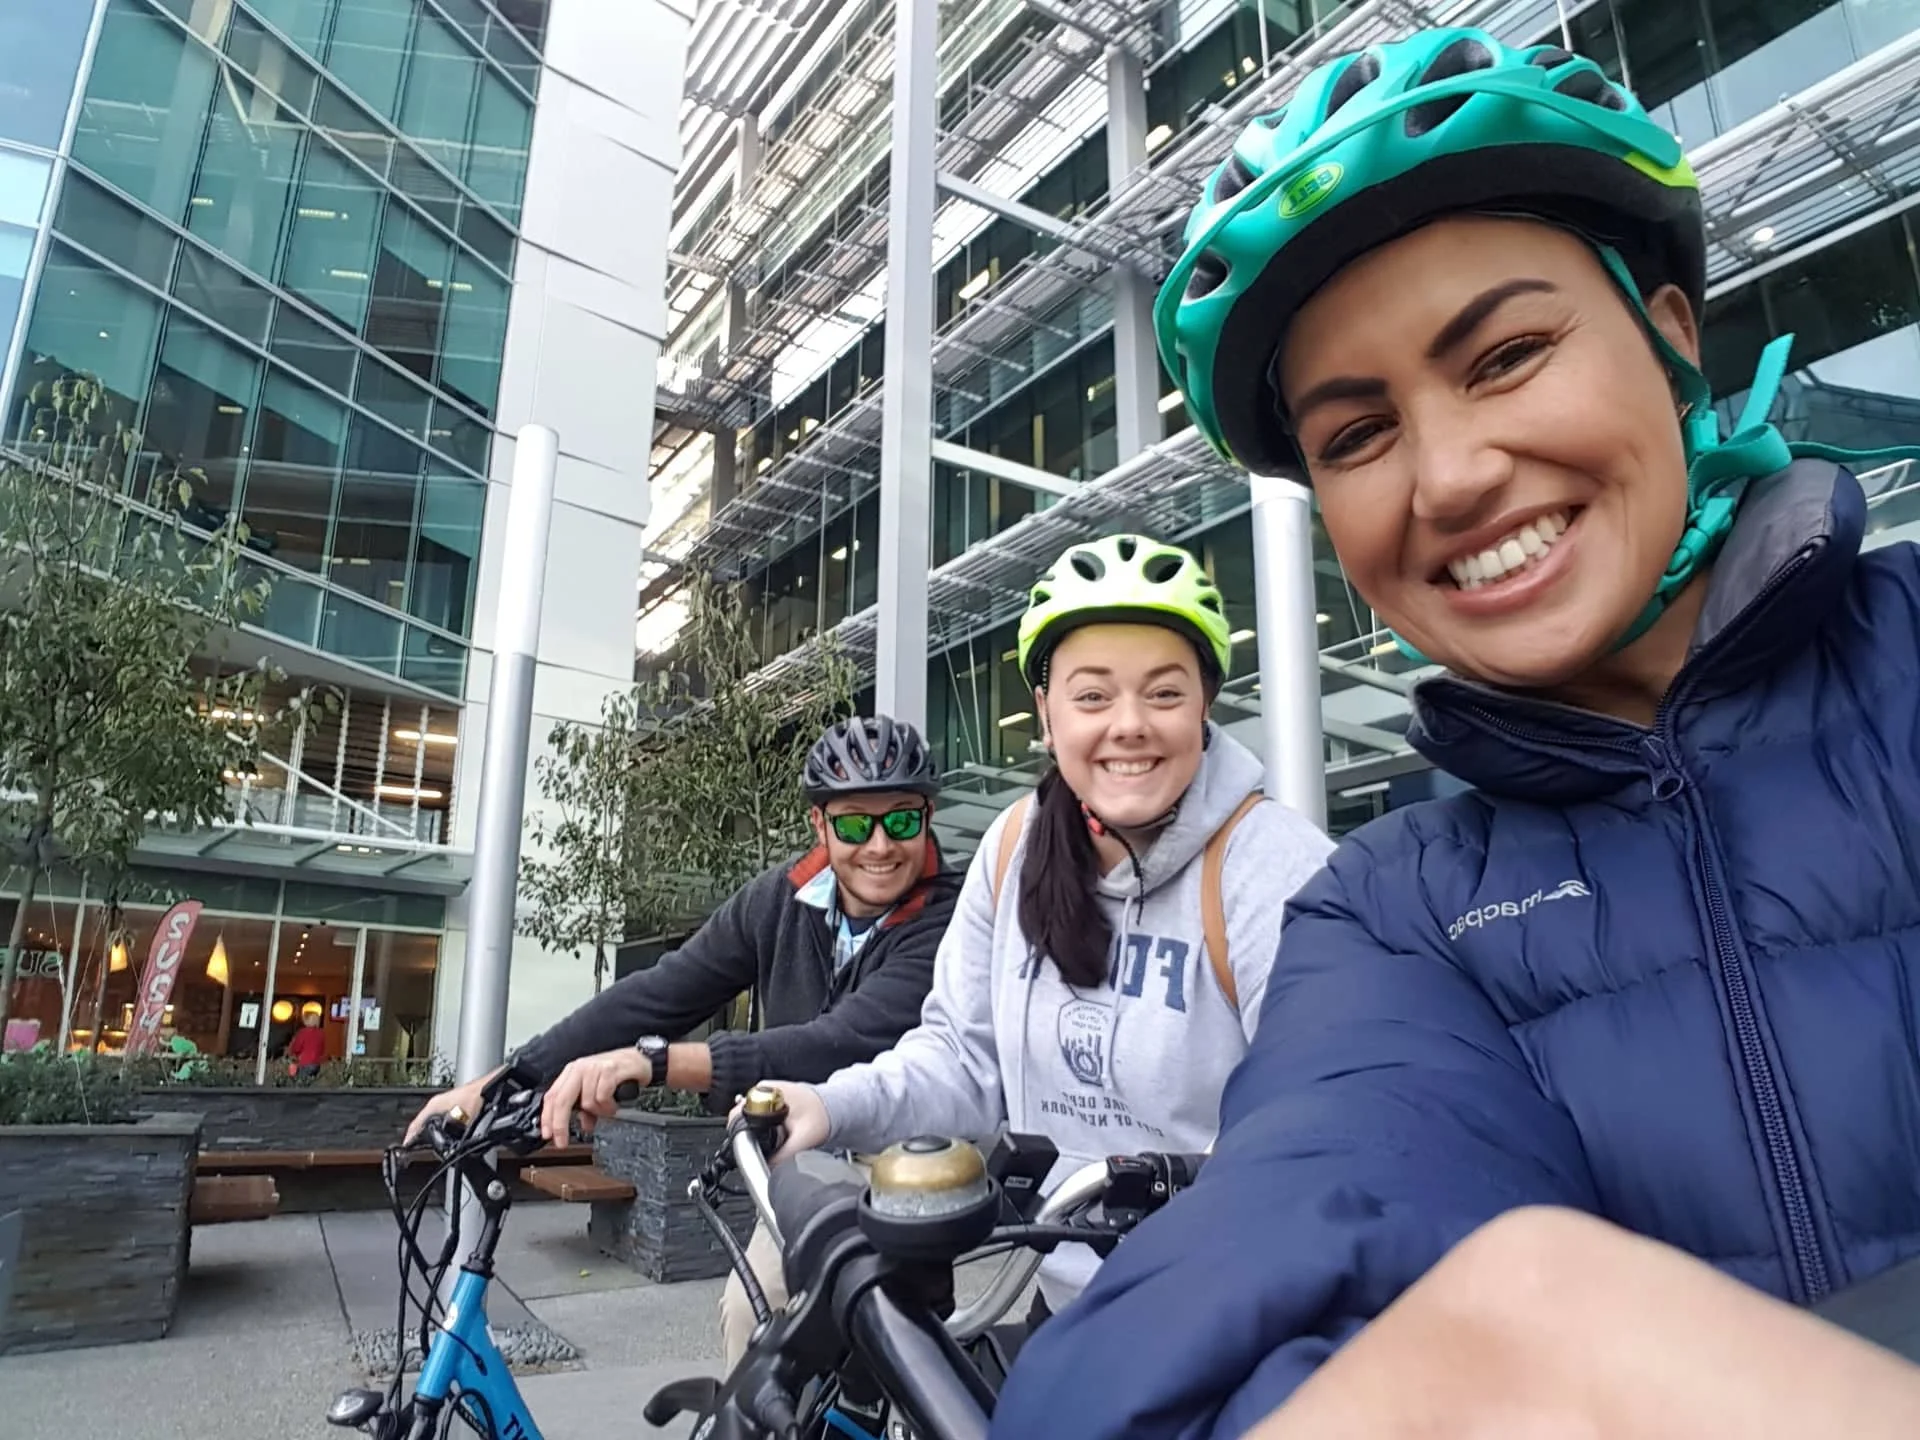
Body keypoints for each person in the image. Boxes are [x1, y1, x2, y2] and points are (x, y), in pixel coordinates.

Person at [991, 26, 1920, 1439]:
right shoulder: (1389, 911)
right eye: (1357, 437)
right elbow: (1300, 1221)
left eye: (1507, 353)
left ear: (1670, 337)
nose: (1454, 474)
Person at [757, 534, 1334, 1325]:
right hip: (1058, 1304)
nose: (1128, 726)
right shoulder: (1014, 848)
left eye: (1164, 694)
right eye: (1092, 696)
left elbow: (1328, 1127)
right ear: (1046, 711)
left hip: (1231, 1316)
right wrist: (828, 1105)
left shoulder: (1277, 869)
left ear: (1205, 705)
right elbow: (965, 1058)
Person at [405, 714, 957, 1366]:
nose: (879, 846)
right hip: (803, 1164)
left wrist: (656, 1062)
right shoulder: (777, 901)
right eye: (854, 824)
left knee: (777, 1317)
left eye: (900, 821)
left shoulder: (950, 915)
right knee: (761, 1334)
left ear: (926, 817)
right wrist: (503, 1081)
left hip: (911, 1164)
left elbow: (837, 1044)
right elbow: (661, 993)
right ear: (820, 826)